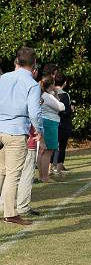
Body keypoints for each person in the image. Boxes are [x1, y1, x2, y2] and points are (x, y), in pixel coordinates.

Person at [0, 47, 46, 226]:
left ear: (16, 62)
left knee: (2, 171)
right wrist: (39, 130)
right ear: (34, 65)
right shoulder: (32, 84)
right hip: (16, 130)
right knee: (13, 174)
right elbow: (35, 112)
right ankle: (10, 213)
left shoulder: (3, 78)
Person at [38, 73, 65, 182]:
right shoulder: (47, 96)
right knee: (48, 151)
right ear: (51, 85)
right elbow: (61, 107)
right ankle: (45, 177)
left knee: (42, 151)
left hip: (45, 122)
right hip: (50, 123)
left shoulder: (42, 95)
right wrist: (56, 94)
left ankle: (41, 176)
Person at [52, 72, 73, 174]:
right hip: (63, 124)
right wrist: (71, 109)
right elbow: (64, 111)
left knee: (51, 146)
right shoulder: (65, 95)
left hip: (52, 123)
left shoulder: (49, 93)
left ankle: (50, 168)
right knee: (62, 147)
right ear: (64, 83)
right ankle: (59, 167)